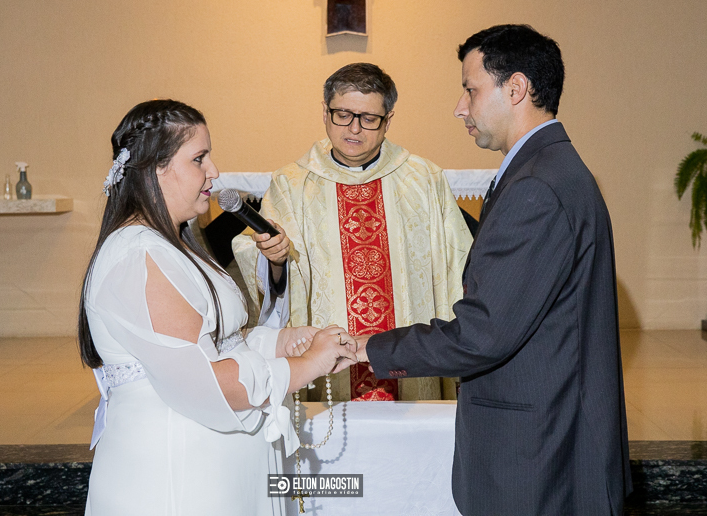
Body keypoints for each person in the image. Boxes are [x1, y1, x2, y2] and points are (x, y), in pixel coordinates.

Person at [356, 25, 632, 515]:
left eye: (471, 89)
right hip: (550, 438)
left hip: (537, 457)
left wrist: (366, 348)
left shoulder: (537, 186)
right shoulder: (548, 169)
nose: (460, 108)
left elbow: (482, 334)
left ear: (516, 88)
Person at [78, 99, 356, 515]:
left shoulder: (173, 242)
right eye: (199, 159)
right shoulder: (139, 256)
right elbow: (205, 382)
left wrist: (280, 342)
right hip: (177, 475)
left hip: (211, 466)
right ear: (156, 168)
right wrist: (307, 365)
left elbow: (217, 341)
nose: (214, 171)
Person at [233, 63, 472, 401]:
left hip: (410, 373)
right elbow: (268, 270)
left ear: (388, 119)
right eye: (343, 115)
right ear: (325, 112)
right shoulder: (291, 185)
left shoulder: (423, 180)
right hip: (329, 380)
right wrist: (274, 261)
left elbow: (457, 268)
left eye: (369, 118)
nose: (354, 129)